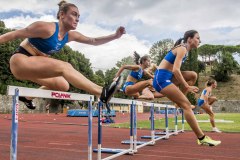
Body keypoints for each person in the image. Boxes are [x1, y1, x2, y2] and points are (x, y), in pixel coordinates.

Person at [0, 1, 125, 109]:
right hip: (20, 61)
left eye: (79, 16)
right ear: (62, 15)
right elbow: (14, 34)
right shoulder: (47, 28)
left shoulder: (70, 35)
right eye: (74, 14)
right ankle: (101, 92)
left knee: (62, 85)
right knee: (65, 67)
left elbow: (93, 41)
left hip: (33, 65)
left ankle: (26, 98)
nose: (77, 19)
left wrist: (115, 36)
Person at [152, 30, 221, 146]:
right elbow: (176, 70)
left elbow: (174, 71)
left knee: (193, 75)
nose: (200, 41)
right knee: (187, 106)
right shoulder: (183, 48)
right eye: (197, 38)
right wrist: (187, 86)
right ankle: (201, 137)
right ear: (189, 39)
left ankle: (179, 101)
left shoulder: (184, 50)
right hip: (161, 79)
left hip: (168, 77)